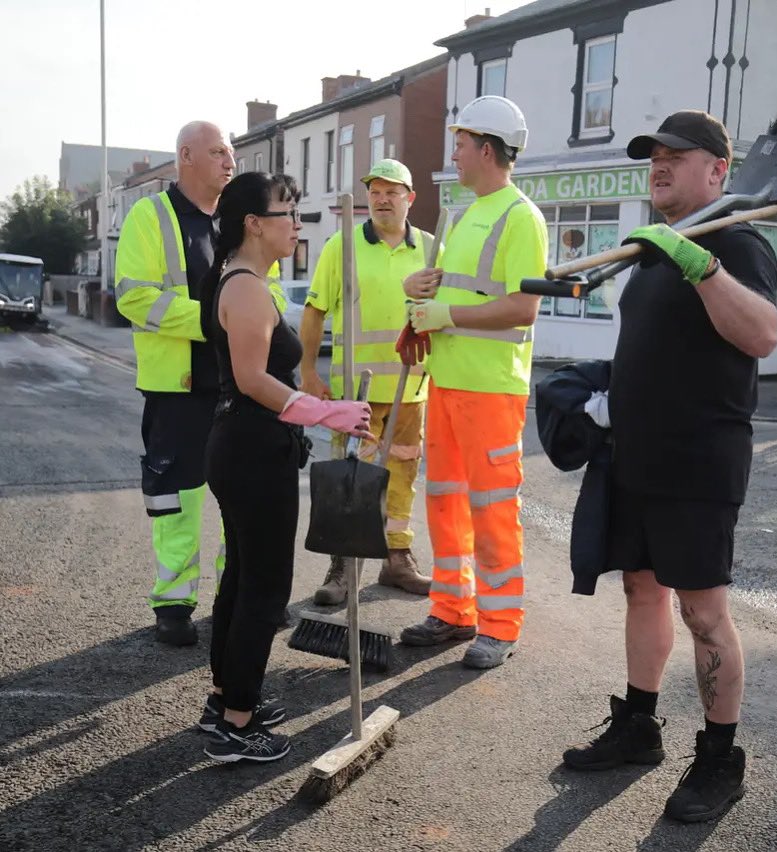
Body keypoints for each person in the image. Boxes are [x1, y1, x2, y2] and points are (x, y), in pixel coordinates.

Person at [560, 110, 777, 822]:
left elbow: (764, 334)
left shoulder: (736, 242)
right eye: (653, 156)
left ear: (718, 169)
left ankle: (721, 760)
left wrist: (704, 266)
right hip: (637, 458)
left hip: (699, 464)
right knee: (641, 590)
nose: (659, 165)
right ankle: (638, 725)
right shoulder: (652, 250)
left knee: (704, 613)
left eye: (676, 156)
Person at [197, 171, 371, 762]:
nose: (297, 224)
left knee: (244, 578)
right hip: (251, 448)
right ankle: (236, 727)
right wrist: (330, 413)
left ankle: (226, 699)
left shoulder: (244, 280)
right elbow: (253, 381)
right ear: (253, 222)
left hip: (245, 446)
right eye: (287, 213)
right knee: (265, 586)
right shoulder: (244, 287)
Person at [115, 122, 286, 646]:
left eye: (231, 153)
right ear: (186, 156)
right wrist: (217, 318)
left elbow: (267, 288)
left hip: (238, 385)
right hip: (178, 387)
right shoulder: (150, 216)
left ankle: (233, 596)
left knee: (241, 496)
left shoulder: (239, 221)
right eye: (217, 153)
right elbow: (134, 297)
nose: (229, 162)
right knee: (178, 499)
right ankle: (174, 603)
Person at [397, 96, 548, 669]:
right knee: (446, 505)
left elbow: (524, 306)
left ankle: (500, 625)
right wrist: (421, 288)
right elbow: (455, 289)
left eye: (460, 144)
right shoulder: (463, 214)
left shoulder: (520, 216)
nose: (453, 154)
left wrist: (448, 317)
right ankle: (453, 610)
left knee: (491, 510)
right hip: (449, 382)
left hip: (491, 390)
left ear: (487, 149)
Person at [300, 158, 434, 604]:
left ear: (409, 198)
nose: (381, 199)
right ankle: (342, 566)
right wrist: (307, 370)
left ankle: (397, 558)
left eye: (391, 191)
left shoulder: (432, 250)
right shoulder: (343, 246)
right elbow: (315, 310)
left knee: (401, 476)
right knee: (350, 480)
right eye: (374, 191)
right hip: (352, 393)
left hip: (410, 390)